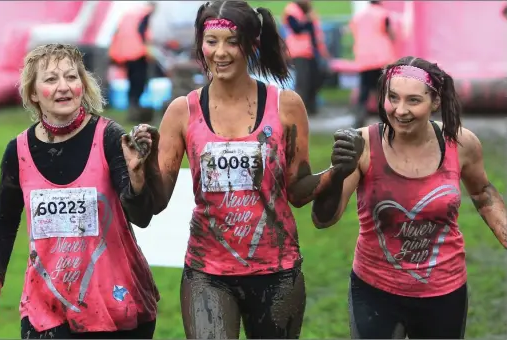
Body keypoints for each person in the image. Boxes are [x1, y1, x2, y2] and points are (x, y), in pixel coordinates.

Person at [136, 1, 357, 338]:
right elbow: (158, 200)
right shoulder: (183, 112)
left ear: (252, 45)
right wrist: (144, 166)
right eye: (212, 42)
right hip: (207, 272)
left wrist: (336, 172)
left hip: (276, 271)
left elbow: (297, 191)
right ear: (201, 44)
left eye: (232, 42)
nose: (220, 53)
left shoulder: (286, 106)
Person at [312, 56, 507, 339]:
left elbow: (482, 192)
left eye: (413, 101)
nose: (400, 110)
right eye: (393, 98)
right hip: (375, 289)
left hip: (444, 289)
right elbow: (322, 220)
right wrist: (339, 173)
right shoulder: (363, 144)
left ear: (435, 102)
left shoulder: (461, 143)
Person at [0, 43, 160, 339]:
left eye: (72, 77)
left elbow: (141, 217)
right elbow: (4, 221)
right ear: (34, 93)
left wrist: (138, 179)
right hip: (46, 307)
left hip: (115, 304)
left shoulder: (109, 136)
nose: (64, 87)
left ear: (83, 84)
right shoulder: (18, 150)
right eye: (51, 79)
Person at [349, 0, 396, 128]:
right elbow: (391, 34)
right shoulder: (383, 14)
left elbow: (354, 33)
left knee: (364, 88)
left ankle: (359, 118)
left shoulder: (359, 16)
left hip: (364, 57)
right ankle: (385, 118)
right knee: (381, 89)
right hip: (380, 57)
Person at [109, 1, 157, 123]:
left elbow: (117, 33)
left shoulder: (132, 14)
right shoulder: (146, 15)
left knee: (132, 83)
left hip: (126, 54)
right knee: (139, 83)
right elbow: (143, 32)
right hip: (138, 53)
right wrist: (149, 50)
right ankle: (135, 110)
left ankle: (133, 108)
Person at [283, 0, 331, 115]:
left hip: (312, 51)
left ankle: (311, 107)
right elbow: (296, 29)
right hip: (299, 52)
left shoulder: (308, 11)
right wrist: (308, 19)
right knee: (303, 82)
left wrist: (322, 50)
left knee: (314, 80)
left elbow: (314, 33)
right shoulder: (292, 10)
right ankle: (299, 111)